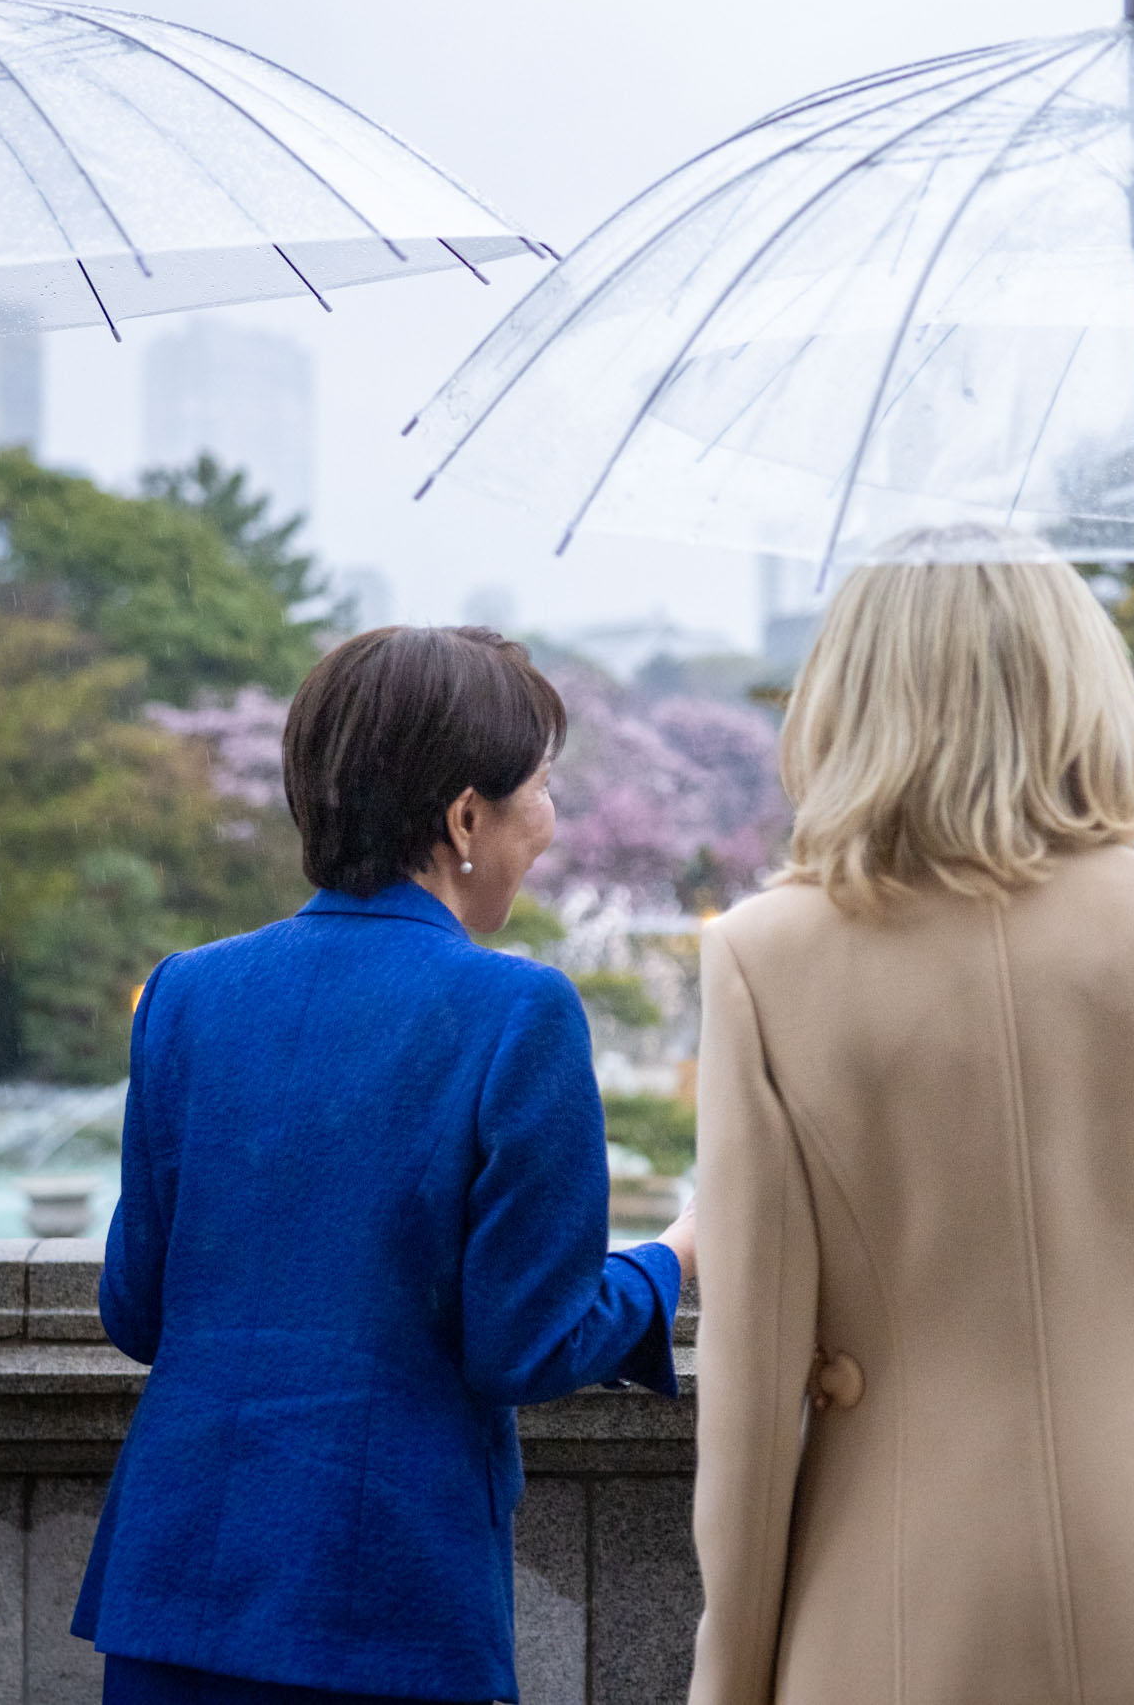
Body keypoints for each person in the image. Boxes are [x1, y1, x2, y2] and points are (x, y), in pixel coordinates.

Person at [687, 539, 1134, 1705]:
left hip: (890, 1571)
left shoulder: (765, 953)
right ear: (1074, 685)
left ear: (853, 694)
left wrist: (733, 1673)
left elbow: (749, 1386)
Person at [71, 626, 696, 1705]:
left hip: (172, 1597)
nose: (548, 826)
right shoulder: (517, 1012)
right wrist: (672, 1261)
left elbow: (135, 1308)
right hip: (385, 1612)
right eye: (539, 791)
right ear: (464, 816)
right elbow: (526, 1340)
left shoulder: (188, 993)